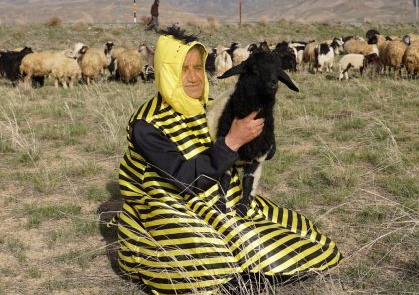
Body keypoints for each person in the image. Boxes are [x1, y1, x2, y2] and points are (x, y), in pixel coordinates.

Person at [114, 26, 341, 294]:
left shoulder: (210, 105)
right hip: (168, 207)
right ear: (165, 71)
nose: (193, 77)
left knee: (311, 240)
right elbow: (185, 179)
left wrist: (260, 141)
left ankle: (245, 268)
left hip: (220, 198)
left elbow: (255, 149)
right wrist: (232, 141)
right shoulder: (147, 125)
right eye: (183, 69)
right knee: (216, 257)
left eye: (197, 67)